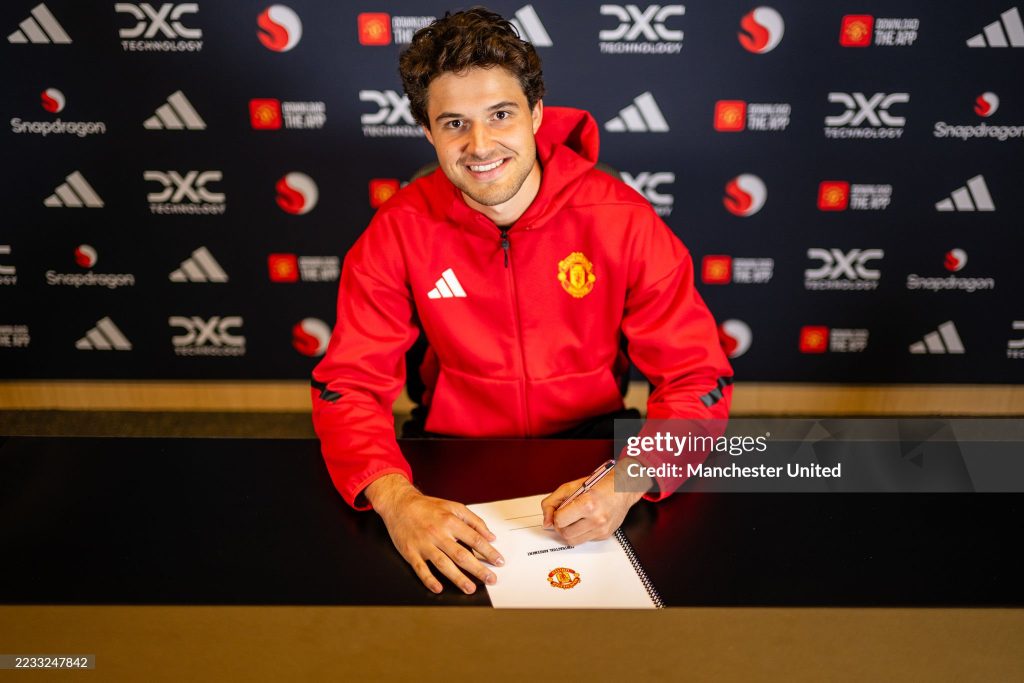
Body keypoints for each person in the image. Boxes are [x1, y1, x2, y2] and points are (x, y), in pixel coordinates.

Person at [311, 7, 732, 595]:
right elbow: (349, 386)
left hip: (597, 454)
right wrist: (395, 498)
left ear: (535, 113)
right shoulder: (398, 230)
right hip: (448, 456)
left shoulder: (623, 219)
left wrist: (629, 480)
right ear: (428, 132)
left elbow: (696, 378)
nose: (480, 145)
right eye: (454, 123)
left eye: (501, 114)